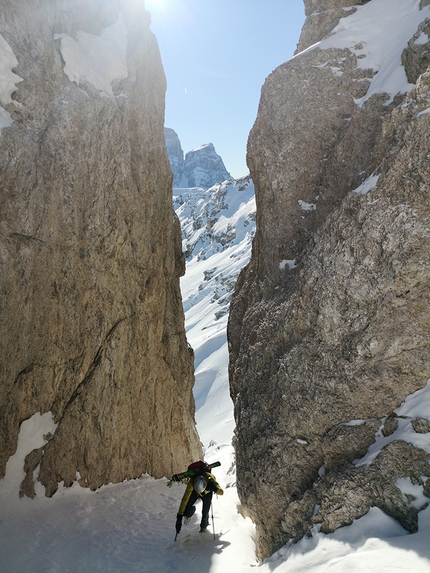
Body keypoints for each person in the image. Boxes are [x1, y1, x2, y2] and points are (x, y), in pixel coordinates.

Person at [175, 462, 223, 534]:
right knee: (186, 509)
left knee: (205, 512)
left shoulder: (210, 479)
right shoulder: (192, 482)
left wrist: (213, 488)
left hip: (207, 493)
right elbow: (185, 499)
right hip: (195, 492)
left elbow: (221, 492)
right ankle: (189, 514)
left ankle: (203, 527)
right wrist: (179, 518)